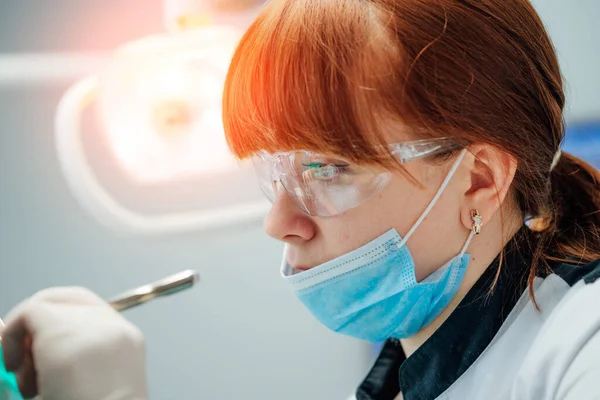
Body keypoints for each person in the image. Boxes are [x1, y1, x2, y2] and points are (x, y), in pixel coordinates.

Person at [2, 0, 600, 399]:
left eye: (328, 168)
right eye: (273, 174)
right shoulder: (403, 377)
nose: (279, 223)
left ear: (480, 181)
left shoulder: (583, 346)